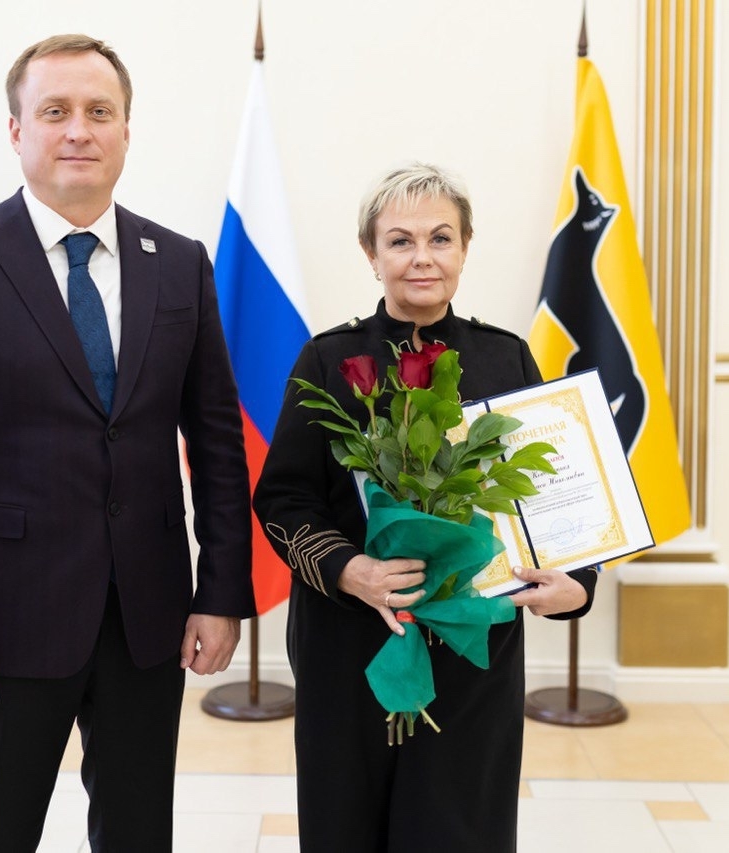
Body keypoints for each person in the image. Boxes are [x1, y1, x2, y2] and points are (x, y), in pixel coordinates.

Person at [0, 34, 254, 852]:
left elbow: (219, 445)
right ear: (17, 131)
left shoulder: (178, 263)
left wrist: (221, 592)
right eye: (55, 111)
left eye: (99, 111)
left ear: (126, 130)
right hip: (1, 625)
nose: (79, 129)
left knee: (139, 834)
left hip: (147, 621)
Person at [253, 163, 599, 852]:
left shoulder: (507, 359)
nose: (422, 257)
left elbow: (554, 491)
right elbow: (283, 498)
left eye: (440, 238)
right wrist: (350, 569)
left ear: (465, 248)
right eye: (400, 241)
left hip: (474, 656)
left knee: (460, 829)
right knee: (345, 828)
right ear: (371, 253)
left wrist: (578, 585)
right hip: (349, 646)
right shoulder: (328, 361)